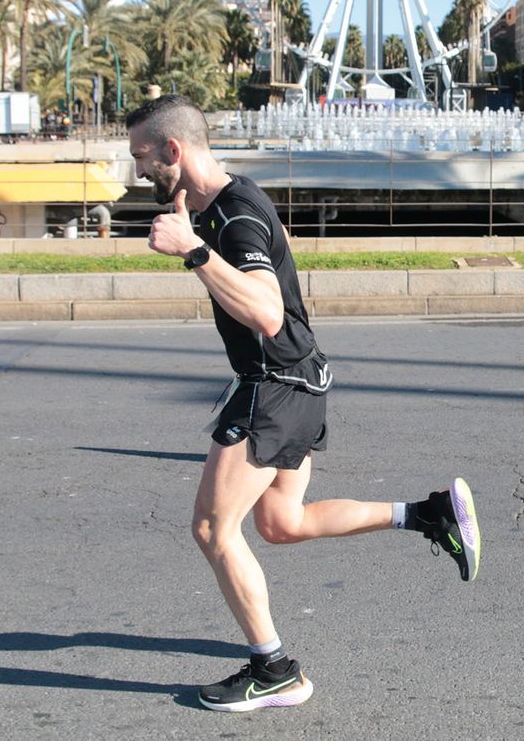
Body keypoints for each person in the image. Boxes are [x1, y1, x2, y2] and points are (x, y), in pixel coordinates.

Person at [125, 94, 481, 714]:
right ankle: (429, 514)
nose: (138, 171)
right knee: (281, 524)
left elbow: (266, 311)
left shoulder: (233, 218)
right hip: (302, 378)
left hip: (274, 386)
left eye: (142, 156)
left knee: (212, 528)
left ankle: (275, 670)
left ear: (173, 150)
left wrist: (193, 251)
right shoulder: (233, 197)